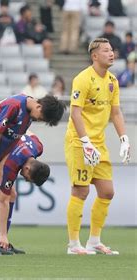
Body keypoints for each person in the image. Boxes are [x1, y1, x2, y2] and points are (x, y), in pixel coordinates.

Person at [0, 94, 65, 255]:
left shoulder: (29, 116)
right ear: (39, 107)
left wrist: (2, 162)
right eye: (41, 117)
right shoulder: (14, 106)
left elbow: (16, 140)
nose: (39, 120)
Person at [65, 38, 130, 255]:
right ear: (95, 56)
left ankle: (94, 241)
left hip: (99, 144)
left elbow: (116, 113)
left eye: (112, 50)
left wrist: (124, 139)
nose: (111, 53)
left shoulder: (113, 80)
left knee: (107, 191)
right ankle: (74, 244)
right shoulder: (82, 79)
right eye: (106, 50)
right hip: (79, 142)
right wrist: (85, 143)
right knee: (81, 190)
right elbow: (75, 112)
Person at [0, 133, 50, 254]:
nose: (25, 179)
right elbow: (3, 201)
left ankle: (2, 242)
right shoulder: (11, 166)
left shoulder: (38, 147)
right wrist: (3, 235)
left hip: (3, 149)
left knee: (12, 194)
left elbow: (29, 131)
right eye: (28, 178)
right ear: (27, 169)